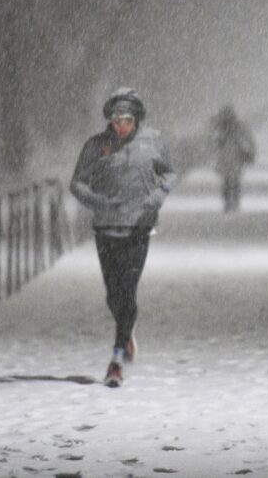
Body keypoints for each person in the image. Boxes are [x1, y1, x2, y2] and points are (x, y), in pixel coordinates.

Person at [69, 87, 175, 387]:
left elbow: (170, 174)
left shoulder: (153, 141)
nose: (121, 126)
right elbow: (76, 183)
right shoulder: (96, 146)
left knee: (128, 289)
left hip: (139, 228)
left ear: (137, 119)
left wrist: (158, 195)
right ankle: (127, 330)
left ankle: (116, 360)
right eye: (116, 120)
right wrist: (98, 202)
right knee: (113, 294)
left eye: (127, 120)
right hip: (105, 228)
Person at [211, 105, 255, 212]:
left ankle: (230, 201)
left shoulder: (223, 127)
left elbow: (216, 142)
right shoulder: (234, 126)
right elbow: (247, 139)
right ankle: (233, 201)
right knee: (232, 180)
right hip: (233, 157)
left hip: (230, 157)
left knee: (230, 180)